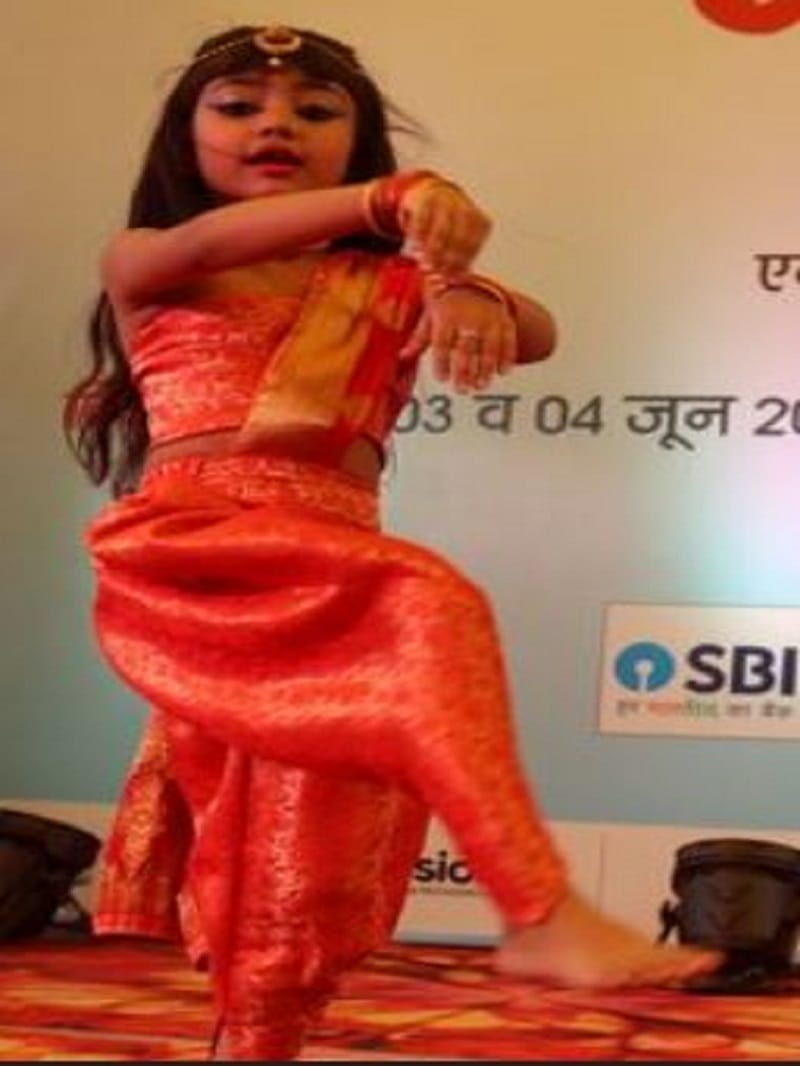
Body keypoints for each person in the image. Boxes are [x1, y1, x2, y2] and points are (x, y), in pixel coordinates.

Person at [64, 24, 720, 1062]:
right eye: (238, 106)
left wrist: (462, 286)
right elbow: (198, 246)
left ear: (355, 138)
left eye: (315, 111)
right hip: (203, 555)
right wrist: (391, 199)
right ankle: (541, 910)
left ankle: (257, 1040)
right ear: (184, 135)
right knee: (431, 603)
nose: (276, 123)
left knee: (303, 855)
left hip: (332, 573)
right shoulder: (152, 260)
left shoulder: (382, 285)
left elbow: (537, 332)